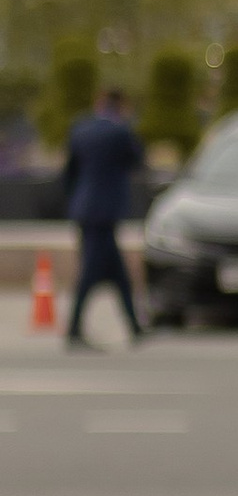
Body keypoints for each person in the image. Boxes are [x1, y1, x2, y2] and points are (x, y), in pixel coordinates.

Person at [60, 85, 147, 349]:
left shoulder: (80, 128)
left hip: (84, 210)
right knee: (90, 273)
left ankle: (134, 326)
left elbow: (68, 173)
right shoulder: (120, 131)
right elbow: (138, 160)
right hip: (106, 212)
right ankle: (74, 329)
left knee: (118, 275)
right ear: (120, 104)